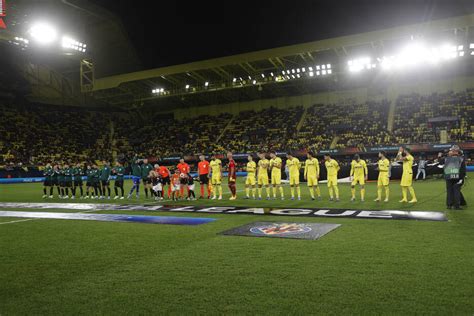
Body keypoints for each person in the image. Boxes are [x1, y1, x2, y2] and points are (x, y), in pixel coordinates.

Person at [438, 145, 466, 210]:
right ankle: (456, 206)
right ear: (457, 151)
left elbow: (440, 163)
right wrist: (462, 178)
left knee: (449, 191)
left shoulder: (446, 158)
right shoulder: (461, 158)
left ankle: (449, 205)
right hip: (457, 177)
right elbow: (463, 170)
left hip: (448, 177)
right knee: (456, 191)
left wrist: (439, 156)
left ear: (452, 151)